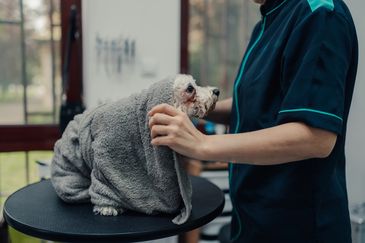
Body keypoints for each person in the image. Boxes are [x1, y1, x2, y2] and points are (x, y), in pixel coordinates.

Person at [148, 0, 358, 242]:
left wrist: (201, 144)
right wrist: (198, 107)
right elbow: (254, 105)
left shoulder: (320, 15)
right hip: (253, 221)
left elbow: (315, 138)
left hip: (298, 229)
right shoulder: (267, 23)